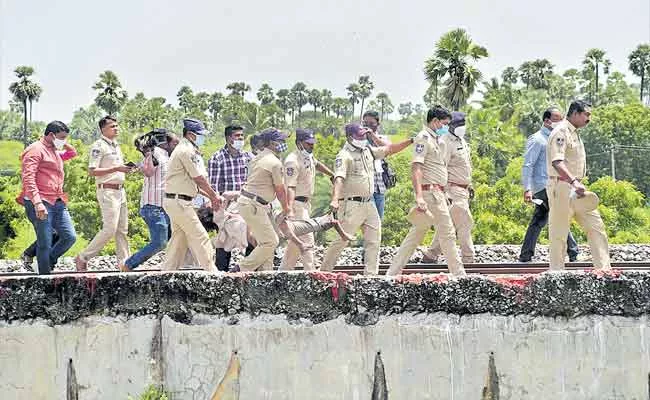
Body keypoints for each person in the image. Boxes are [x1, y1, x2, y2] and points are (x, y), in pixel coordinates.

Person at [320, 123, 413, 275]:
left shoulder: (367, 150)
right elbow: (339, 178)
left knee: (374, 240)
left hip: (369, 203)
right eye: (360, 135)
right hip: (352, 204)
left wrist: (410, 141)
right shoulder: (344, 156)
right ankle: (324, 272)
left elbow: (390, 149)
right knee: (342, 240)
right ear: (351, 137)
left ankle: (371, 275)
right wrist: (335, 199)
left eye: (364, 134)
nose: (364, 137)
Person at [388, 106, 466, 277]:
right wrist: (419, 197)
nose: (446, 127)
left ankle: (392, 273)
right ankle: (460, 275)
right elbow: (416, 168)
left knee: (416, 234)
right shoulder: (423, 138)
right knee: (448, 233)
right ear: (435, 121)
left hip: (437, 193)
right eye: (444, 123)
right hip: (430, 193)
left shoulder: (437, 140)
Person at [547, 100, 610, 270]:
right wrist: (574, 182)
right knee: (559, 232)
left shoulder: (575, 133)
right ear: (575, 113)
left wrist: (577, 184)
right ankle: (556, 274)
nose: (589, 118)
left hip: (578, 190)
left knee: (596, 227)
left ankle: (604, 271)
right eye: (586, 114)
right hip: (562, 187)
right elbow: (557, 162)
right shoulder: (561, 132)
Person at [519, 107, 579, 263]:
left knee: (540, 219)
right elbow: (528, 165)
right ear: (546, 121)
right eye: (557, 119)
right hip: (543, 186)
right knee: (559, 216)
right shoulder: (538, 139)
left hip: (553, 185)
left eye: (561, 118)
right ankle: (573, 252)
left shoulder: (557, 137)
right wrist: (527, 189)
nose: (561, 122)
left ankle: (525, 255)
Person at [17, 121, 77, 274]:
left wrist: (63, 143)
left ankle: (44, 263)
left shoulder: (54, 150)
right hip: (40, 201)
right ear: (51, 135)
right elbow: (28, 178)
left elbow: (72, 154)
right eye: (61, 137)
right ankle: (45, 278)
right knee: (45, 242)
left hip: (57, 201)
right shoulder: (35, 150)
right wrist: (37, 203)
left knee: (69, 236)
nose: (63, 141)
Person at [75, 116, 134, 271]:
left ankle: (124, 263)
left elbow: (118, 167)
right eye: (112, 126)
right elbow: (92, 171)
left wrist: (126, 169)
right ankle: (83, 257)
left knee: (122, 229)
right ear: (103, 129)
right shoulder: (99, 146)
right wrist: (117, 169)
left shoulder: (116, 146)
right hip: (107, 190)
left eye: (117, 126)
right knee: (110, 229)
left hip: (120, 190)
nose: (116, 128)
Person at [162, 118, 221, 271]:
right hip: (179, 201)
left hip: (177, 200)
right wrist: (214, 196)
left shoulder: (186, 149)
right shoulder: (186, 151)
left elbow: (192, 183)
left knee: (178, 239)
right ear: (190, 134)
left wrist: (210, 196)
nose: (203, 138)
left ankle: (166, 273)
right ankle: (213, 273)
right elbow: (199, 178)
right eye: (200, 135)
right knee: (200, 236)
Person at [119, 131, 179, 272]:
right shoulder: (155, 153)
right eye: (175, 143)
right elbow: (148, 172)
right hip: (153, 206)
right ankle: (129, 265)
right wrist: (148, 153)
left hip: (164, 206)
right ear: (165, 142)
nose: (177, 146)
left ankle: (171, 267)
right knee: (159, 242)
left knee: (174, 239)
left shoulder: (166, 156)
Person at [421, 111, 475, 264]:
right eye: (459, 125)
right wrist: (444, 192)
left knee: (448, 225)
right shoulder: (445, 142)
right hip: (453, 190)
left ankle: (431, 255)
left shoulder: (461, 141)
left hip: (463, 190)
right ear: (450, 126)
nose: (462, 127)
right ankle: (468, 258)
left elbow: (465, 166)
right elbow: (441, 168)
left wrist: (469, 185)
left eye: (463, 124)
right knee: (465, 222)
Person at [236, 128, 292, 271]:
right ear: (272, 143)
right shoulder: (274, 162)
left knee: (264, 243)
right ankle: (241, 269)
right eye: (281, 141)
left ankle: (265, 274)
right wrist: (286, 209)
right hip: (254, 204)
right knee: (271, 242)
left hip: (251, 202)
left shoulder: (259, 157)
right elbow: (280, 190)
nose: (284, 143)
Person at [280, 128, 334, 271]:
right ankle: (311, 273)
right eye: (308, 143)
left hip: (305, 204)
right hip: (296, 204)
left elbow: (317, 164)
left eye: (312, 143)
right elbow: (290, 187)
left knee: (295, 244)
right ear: (299, 143)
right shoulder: (292, 161)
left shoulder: (307, 156)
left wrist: (332, 175)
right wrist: (289, 209)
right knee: (308, 237)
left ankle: (283, 272)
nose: (312, 146)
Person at [207, 125, 255, 271]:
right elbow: (214, 188)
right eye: (237, 136)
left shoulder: (249, 157)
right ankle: (221, 275)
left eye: (242, 136)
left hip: (247, 203)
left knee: (251, 237)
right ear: (228, 138)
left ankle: (248, 272)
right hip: (227, 206)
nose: (240, 139)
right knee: (224, 241)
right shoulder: (217, 159)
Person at [362, 111, 390, 219]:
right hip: (365, 188)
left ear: (377, 124)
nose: (368, 126)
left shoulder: (382, 138)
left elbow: (389, 148)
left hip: (379, 186)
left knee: (378, 221)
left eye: (371, 123)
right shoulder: (359, 139)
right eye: (365, 123)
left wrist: (372, 136)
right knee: (370, 222)